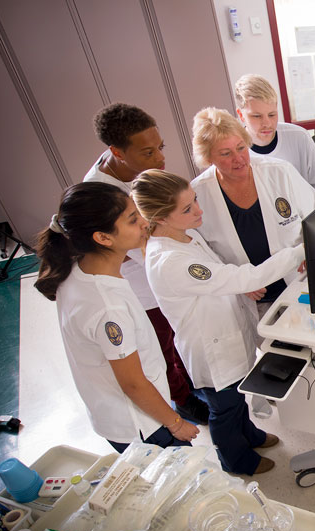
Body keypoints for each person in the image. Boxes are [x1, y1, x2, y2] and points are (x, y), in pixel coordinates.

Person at [132, 170, 306, 475]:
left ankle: (249, 435)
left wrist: (238, 284)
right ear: (159, 218)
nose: (199, 211)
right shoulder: (169, 260)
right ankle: (235, 460)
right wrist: (300, 252)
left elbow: (217, 270)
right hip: (211, 350)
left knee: (237, 397)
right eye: (187, 209)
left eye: (195, 200)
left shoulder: (188, 235)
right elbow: (238, 275)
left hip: (227, 331)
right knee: (224, 408)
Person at [33, 182, 200, 452]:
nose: (144, 223)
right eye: (133, 219)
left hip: (115, 414)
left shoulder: (77, 271)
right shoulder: (107, 306)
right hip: (142, 425)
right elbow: (133, 383)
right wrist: (175, 422)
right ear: (103, 237)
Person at [84, 103, 208, 426]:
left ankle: (189, 384)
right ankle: (182, 399)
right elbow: (134, 248)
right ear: (116, 151)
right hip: (142, 286)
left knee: (177, 336)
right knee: (162, 345)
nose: (160, 160)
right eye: (149, 153)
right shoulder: (101, 193)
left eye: (160, 148)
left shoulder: (133, 173)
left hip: (161, 270)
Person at [190, 107, 315, 312]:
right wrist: (236, 282)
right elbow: (202, 254)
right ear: (208, 158)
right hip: (251, 300)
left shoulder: (279, 172)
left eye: (241, 148)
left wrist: (309, 250)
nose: (239, 159)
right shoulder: (197, 195)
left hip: (299, 283)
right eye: (226, 154)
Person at [234, 74, 315, 189]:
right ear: (241, 115)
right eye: (257, 116)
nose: (267, 123)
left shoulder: (299, 137)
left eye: (272, 114)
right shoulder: (233, 151)